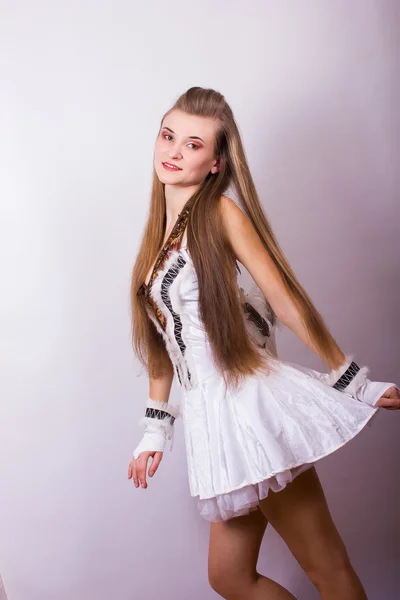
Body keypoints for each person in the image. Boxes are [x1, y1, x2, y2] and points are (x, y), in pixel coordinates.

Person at [127, 87, 399, 600]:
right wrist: (154, 431)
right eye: (168, 136)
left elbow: (288, 302)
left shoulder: (222, 216)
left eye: (192, 144)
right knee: (229, 577)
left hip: (253, 409)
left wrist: (352, 381)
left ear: (216, 162)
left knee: (328, 567)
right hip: (215, 426)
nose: (174, 151)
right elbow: (163, 348)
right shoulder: (157, 244)